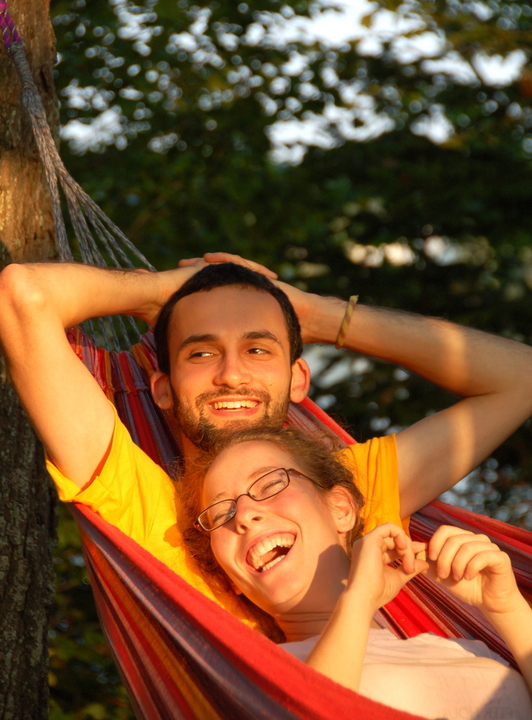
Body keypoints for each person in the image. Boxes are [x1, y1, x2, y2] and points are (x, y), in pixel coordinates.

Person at [1, 253, 532, 631]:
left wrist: (319, 316)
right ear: (160, 387)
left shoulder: (345, 486)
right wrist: (163, 293)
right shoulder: (144, 509)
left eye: (258, 350)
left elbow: (522, 377)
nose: (232, 375)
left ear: (299, 379)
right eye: (201, 353)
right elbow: (21, 296)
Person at [181, 425, 532, 719]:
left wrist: (507, 608)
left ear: (341, 509)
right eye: (221, 514)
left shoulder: (469, 651)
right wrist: (358, 598)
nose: (243, 514)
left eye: (271, 484)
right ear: (231, 580)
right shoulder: (248, 679)